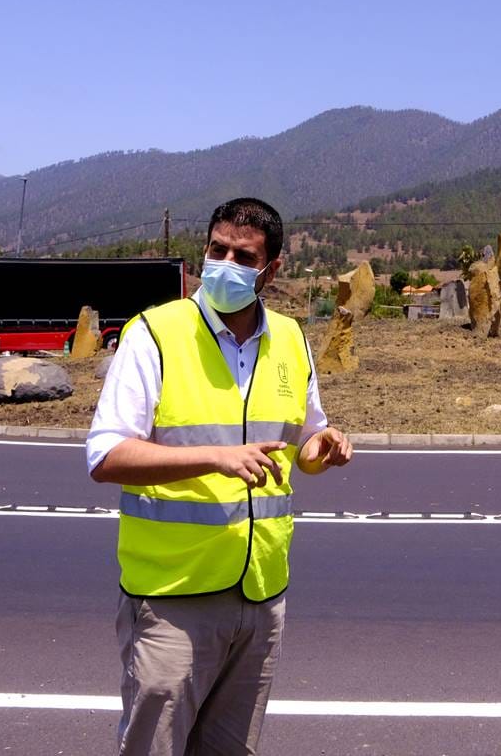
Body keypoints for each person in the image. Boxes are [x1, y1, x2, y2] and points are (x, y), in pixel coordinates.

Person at [86, 197, 354, 756]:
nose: (225, 263)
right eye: (217, 249)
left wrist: (319, 447)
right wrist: (215, 456)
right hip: (174, 597)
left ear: (271, 270)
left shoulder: (291, 339)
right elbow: (105, 455)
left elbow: (300, 440)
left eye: (243, 255)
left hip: (260, 595)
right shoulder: (155, 335)